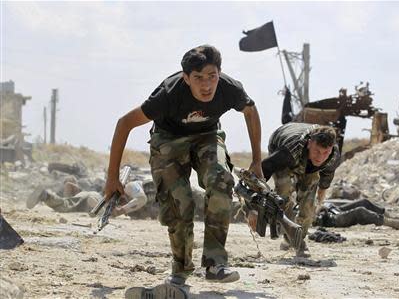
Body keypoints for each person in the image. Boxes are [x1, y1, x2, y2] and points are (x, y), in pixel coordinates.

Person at [104, 45, 262, 289]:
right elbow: (124, 124)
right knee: (179, 201)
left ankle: (215, 263)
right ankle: (180, 268)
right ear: (186, 78)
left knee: (221, 179)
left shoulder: (230, 89)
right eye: (198, 78)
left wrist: (257, 161)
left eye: (212, 76)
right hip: (168, 139)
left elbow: (251, 112)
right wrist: (112, 177)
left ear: (219, 74)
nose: (206, 85)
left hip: (207, 135)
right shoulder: (168, 94)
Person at [248, 123, 340, 256]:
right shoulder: (289, 151)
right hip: (280, 144)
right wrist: (253, 209)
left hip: (306, 163)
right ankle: (292, 237)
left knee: (309, 206)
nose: (320, 157)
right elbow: (259, 175)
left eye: (325, 152)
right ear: (309, 143)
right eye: (317, 151)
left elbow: (325, 181)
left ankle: (295, 239)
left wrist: (317, 202)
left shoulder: (333, 156)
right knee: (284, 191)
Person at [26, 178, 150, 217]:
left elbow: (69, 185)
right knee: (64, 206)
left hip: (90, 196)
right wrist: (120, 211)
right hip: (94, 199)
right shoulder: (133, 185)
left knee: (67, 204)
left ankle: (48, 195)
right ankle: (46, 195)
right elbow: (141, 199)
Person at [314, 199, 399, 230]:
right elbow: (310, 218)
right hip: (330, 219)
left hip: (332, 209)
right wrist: (318, 210)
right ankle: (391, 223)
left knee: (363, 202)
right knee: (360, 211)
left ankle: (391, 216)